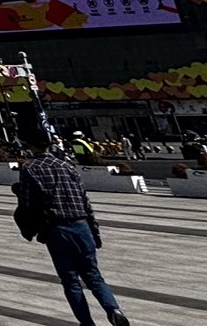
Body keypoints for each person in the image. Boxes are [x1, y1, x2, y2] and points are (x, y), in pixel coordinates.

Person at [14, 127, 129, 326]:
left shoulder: (30, 168)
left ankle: (87, 323)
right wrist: (94, 231)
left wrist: (30, 227)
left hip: (56, 229)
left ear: (31, 146)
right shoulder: (67, 166)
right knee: (93, 275)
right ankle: (113, 309)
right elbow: (85, 200)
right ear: (50, 144)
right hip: (81, 225)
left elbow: (27, 203)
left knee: (70, 280)